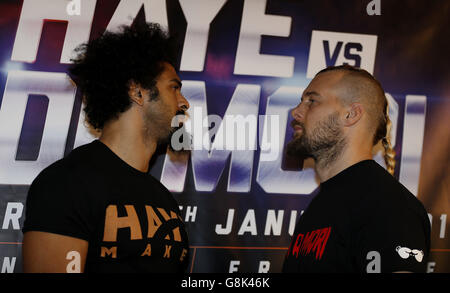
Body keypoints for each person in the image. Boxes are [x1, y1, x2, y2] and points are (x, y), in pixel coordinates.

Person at [22, 22, 190, 273]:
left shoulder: (164, 200)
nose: (184, 102)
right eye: (174, 88)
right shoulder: (66, 184)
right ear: (137, 92)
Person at [282, 65, 430, 273]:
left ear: (351, 114)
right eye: (301, 101)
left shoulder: (388, 206)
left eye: (311, 101)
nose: (296, 112)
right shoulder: (322, 204)